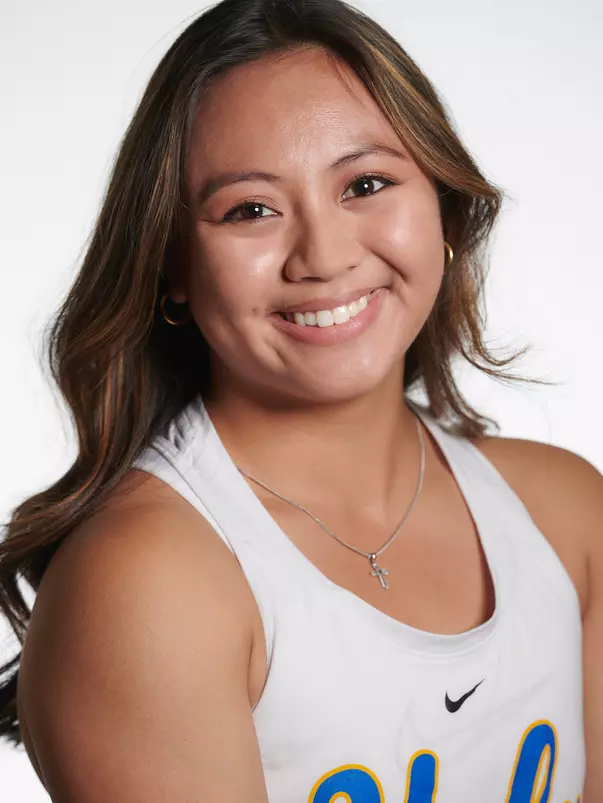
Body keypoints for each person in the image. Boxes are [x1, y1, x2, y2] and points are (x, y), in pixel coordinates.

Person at [0, 0, 601, 800]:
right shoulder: (145, 584)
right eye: (251, 209)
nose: (323, 255)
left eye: (366, 183)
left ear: (443, 208)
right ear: (173, 266)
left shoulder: (565, 511)